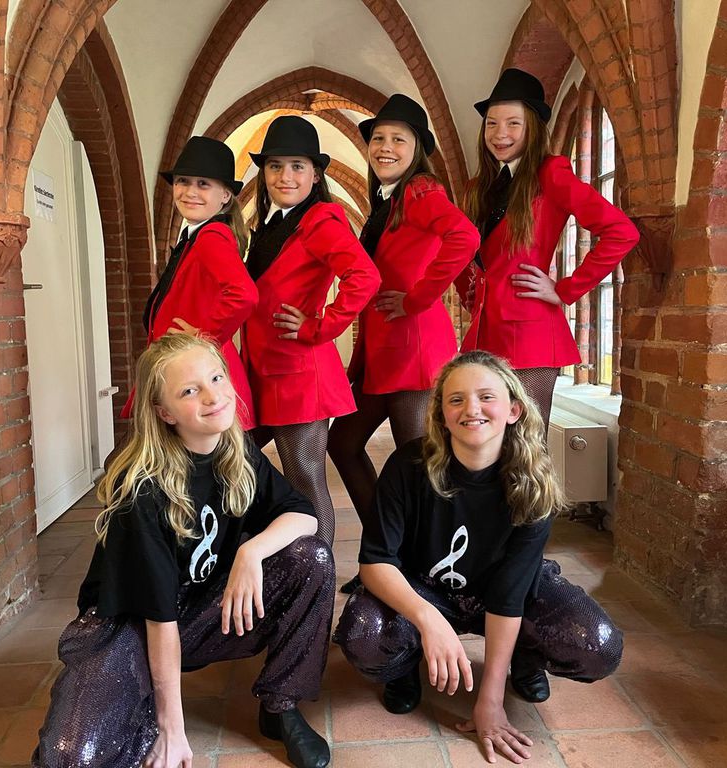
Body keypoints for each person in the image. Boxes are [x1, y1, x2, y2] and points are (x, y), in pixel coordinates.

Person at [34, 332, 334, 768]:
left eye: (216, 378)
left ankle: (280, 704)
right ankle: (139, 709)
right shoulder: (141, 491)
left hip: (200, 613)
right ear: (165, 412)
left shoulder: (237, 453)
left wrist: (251, 553)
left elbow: (304, 514)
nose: (213, 396)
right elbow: (158, 619)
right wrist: (171, 728)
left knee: (312, 558)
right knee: (70, 758)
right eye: (189, 391)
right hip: (129, 630)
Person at [333, 350, 623, 765]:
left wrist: (490, 700)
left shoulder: (533, 481)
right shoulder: (408, 466)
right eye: (456, 399)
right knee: (364, 635)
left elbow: (509, 595)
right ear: (441, 415)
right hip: (427, 590)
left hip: (506, 594)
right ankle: (405, 665)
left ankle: (524, 655)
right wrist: (428, 619)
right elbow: (376, 562)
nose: (471, 409)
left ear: (513, 410)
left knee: (597, 645)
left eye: (486, 397)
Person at [328, 93, 479, 593]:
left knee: (419, 466)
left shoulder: (419, 189)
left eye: (398, 139)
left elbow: (464, 237)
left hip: (414, 348)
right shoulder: (387, 201)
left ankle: (420, 569)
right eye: (378, 138)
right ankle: (387, 552)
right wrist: (359, 361)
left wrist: (417, 298)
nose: (385, 147)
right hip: (385, 353)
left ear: (417, 150)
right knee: (343, 443)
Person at [458, 68, 639, 425]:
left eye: (513, 123)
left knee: (527, 444)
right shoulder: (479, 187)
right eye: (492, 124)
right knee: (488, 440)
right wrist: (471, 294)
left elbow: (621, 231)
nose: (500, 133)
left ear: (533, 128)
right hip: (484, 333)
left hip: (531, 335)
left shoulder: (550, 174)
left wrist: (564, 290)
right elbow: (469, 256)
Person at [242, 115, 380, 545]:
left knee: (304, 475)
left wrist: (321, 326)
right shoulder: (270, 224)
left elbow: (365, 277)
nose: (285, 176)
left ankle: (319, 576)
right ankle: (282, 555)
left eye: (297, 166)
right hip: (264, 371)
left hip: (299, 373)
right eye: (275, 166)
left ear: (315, 174)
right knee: (241, 459)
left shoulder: (320, 220)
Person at [121, 136, 257, 430]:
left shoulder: (211, 236)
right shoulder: (195, 238)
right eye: (183, 181)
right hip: (191, 373)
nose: (190, 192)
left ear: (225, 196)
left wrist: (203, 337)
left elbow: (244, 294)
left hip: (196, 377)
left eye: (203, 184)